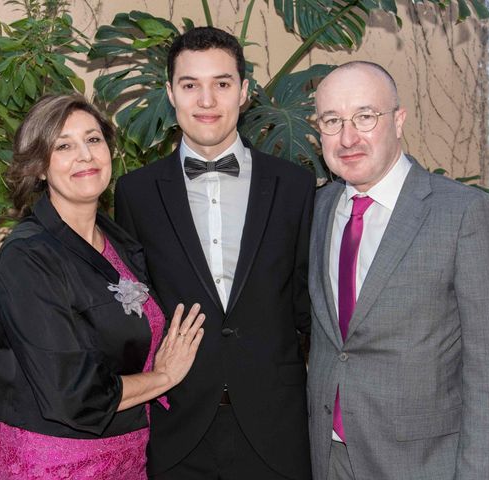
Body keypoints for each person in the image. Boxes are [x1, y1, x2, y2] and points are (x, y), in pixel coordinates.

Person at [307, 61, 489, 480]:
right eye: (332, 121)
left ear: (399, 120)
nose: (348, 137)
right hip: (328, 458)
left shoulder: (463, 213)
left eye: (365, 117)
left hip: (422, 463)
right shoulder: (317, 209)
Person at [114, 26, 313, 480]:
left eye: (221, 84)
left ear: (244, 91)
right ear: (170, 93)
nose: (206, 101)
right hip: (178, 427)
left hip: (277, 429)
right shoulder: (135, 193)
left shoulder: (296, 187)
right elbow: (133, 313)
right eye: (190, 85)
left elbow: (307, 308)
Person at [0, 94, 205, 480]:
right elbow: (71, 394)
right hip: (54, 465)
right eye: (64, 145)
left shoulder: (119, 241)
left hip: (129, 458)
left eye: (93, 139)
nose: (85, 155)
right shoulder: (28, 258)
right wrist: (164, 377)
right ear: (39, 168)